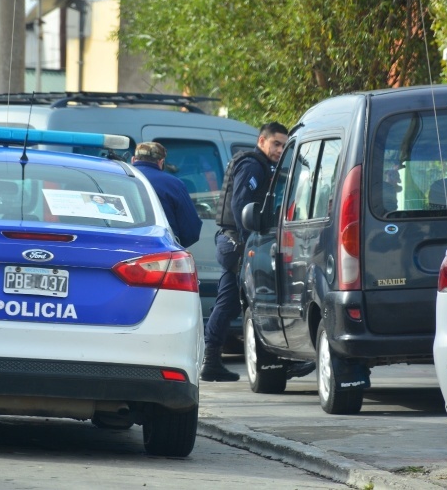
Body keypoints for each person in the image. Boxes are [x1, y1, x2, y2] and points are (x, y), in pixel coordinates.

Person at [201, 121, 313, 382]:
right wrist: (250, 242)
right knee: (241, 301)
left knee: (234, 302)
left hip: (238, 242)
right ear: (262, 141)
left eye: (284, 145)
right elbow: (242, 205)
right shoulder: (252, 165)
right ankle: (213, 360)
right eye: (276, 144)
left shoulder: (267, 166)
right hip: (238, 243)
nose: (279, 149)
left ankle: (218, 361)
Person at [131, 141, 203, 248]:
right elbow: (191, 231)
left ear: (133, 159)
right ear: (161, 162)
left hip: (123, 246)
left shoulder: (117, 178)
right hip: (160, 250)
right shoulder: (174, 184)